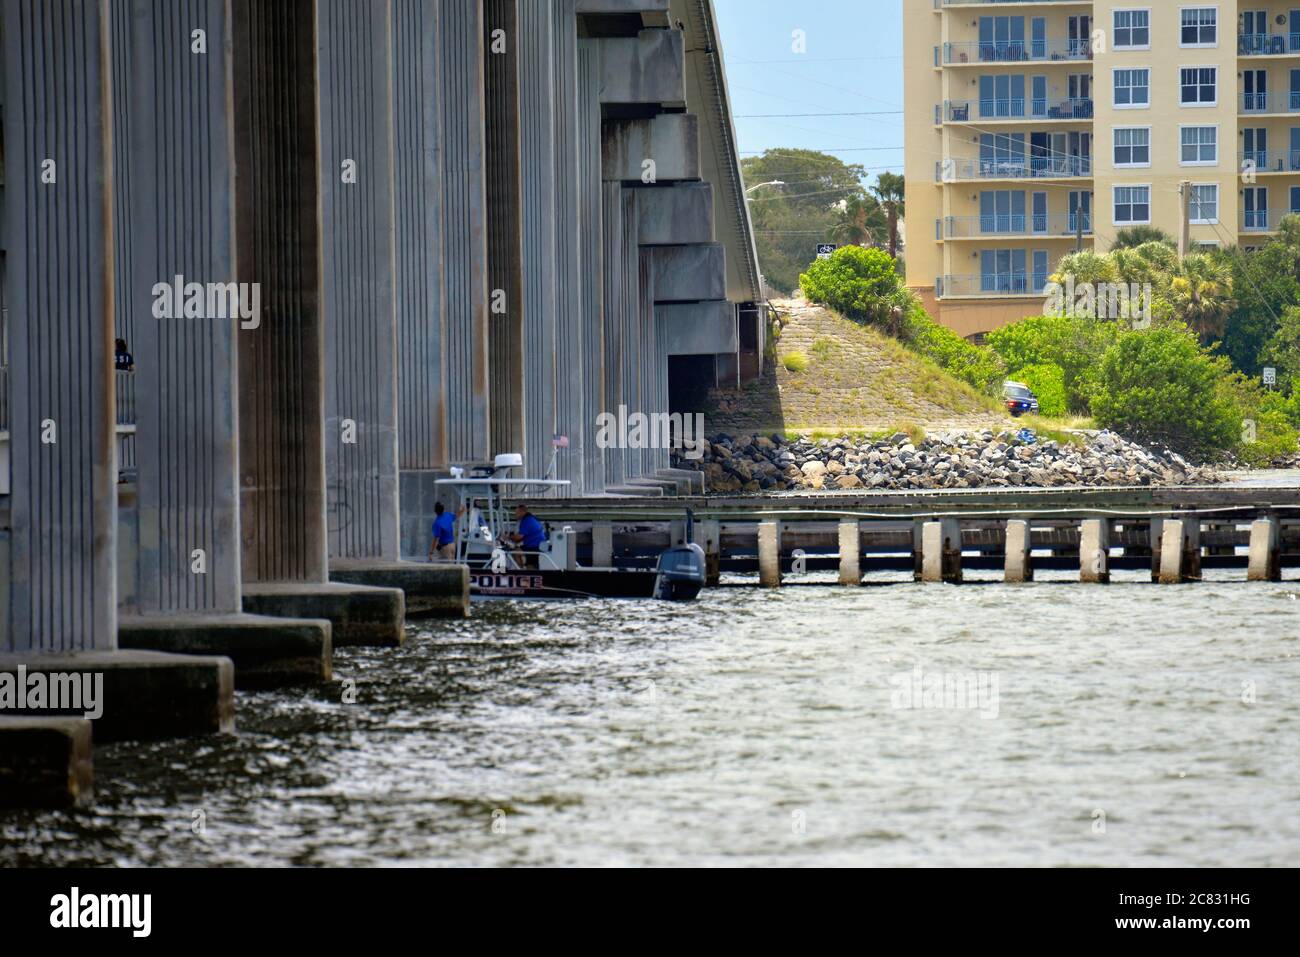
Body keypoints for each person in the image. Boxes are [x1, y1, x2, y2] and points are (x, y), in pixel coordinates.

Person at [508, 504, 547, 569]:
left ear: (522, 512)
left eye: (517, 513)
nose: (515, 514)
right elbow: (521, 537)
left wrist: (508, 537)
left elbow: (519, 537)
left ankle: (520, 570)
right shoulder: (531, 518)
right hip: (537, 545)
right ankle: (526, 570)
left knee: (515, 552)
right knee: (528, 562)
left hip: (535, 547)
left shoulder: (527, 520)